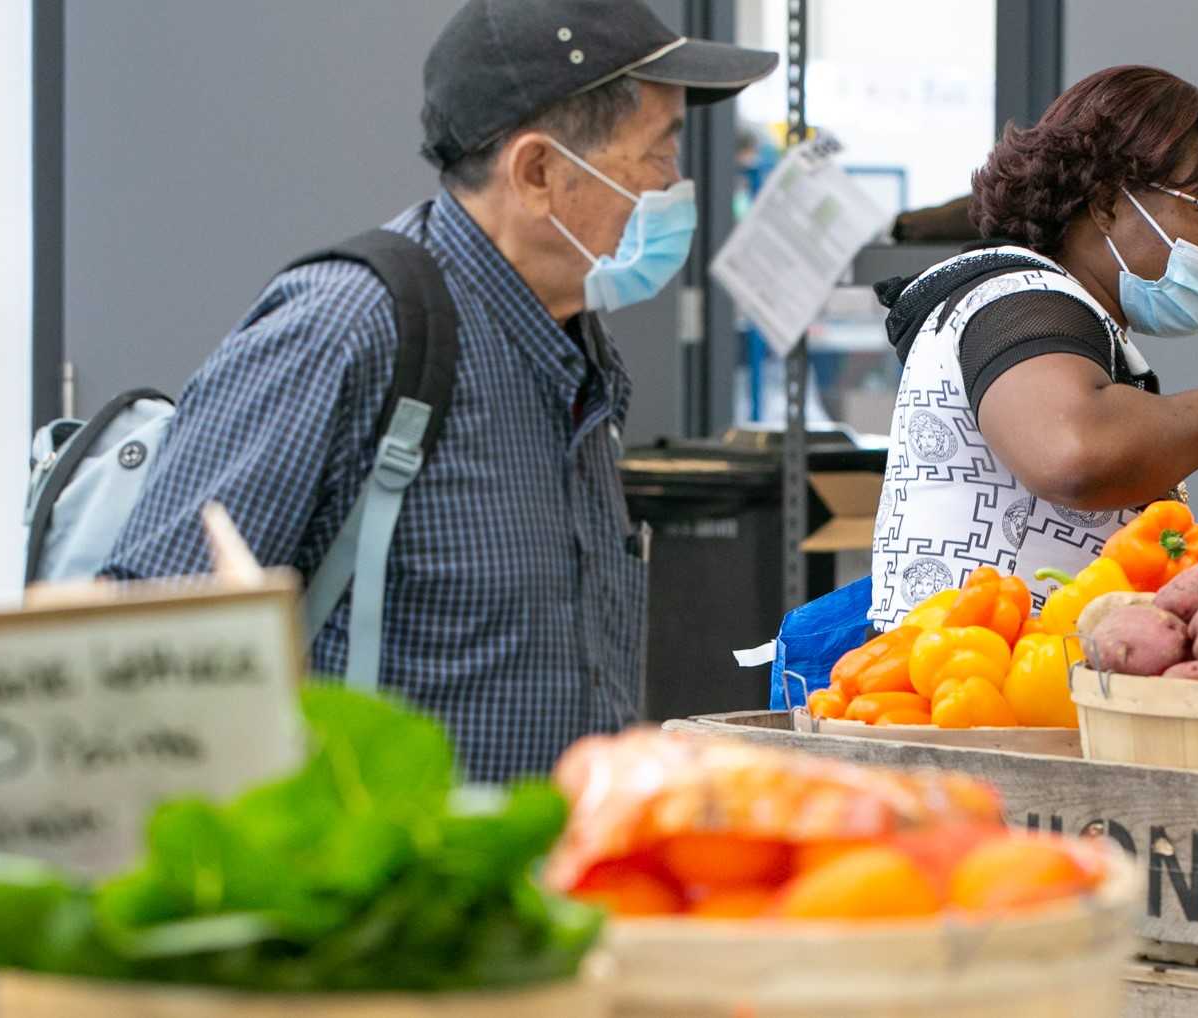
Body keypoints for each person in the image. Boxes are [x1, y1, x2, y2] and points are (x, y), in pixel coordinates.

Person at [101, 0, 775, 782]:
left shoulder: (574, 352)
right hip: (381, 886)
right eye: (657, 156)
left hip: (532, 883)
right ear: (538, 174)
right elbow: (143, 645)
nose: (675, 186)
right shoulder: (349, 329)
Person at [868, 66, 1198, 625]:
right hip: (973, 690)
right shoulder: (1018, 297)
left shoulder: (1073, 322)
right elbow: (1073, 453)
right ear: (1106, 203)